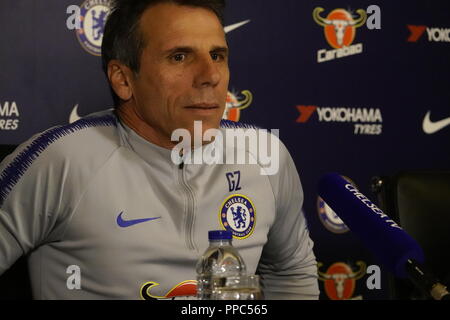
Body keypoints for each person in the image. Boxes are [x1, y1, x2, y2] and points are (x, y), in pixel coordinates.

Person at [0, 0, 319, 299]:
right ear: (123, 79)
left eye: (217, 55)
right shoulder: (62, 160)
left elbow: (290, 272)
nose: (209, 76)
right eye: (179, 56)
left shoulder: (265, 156)